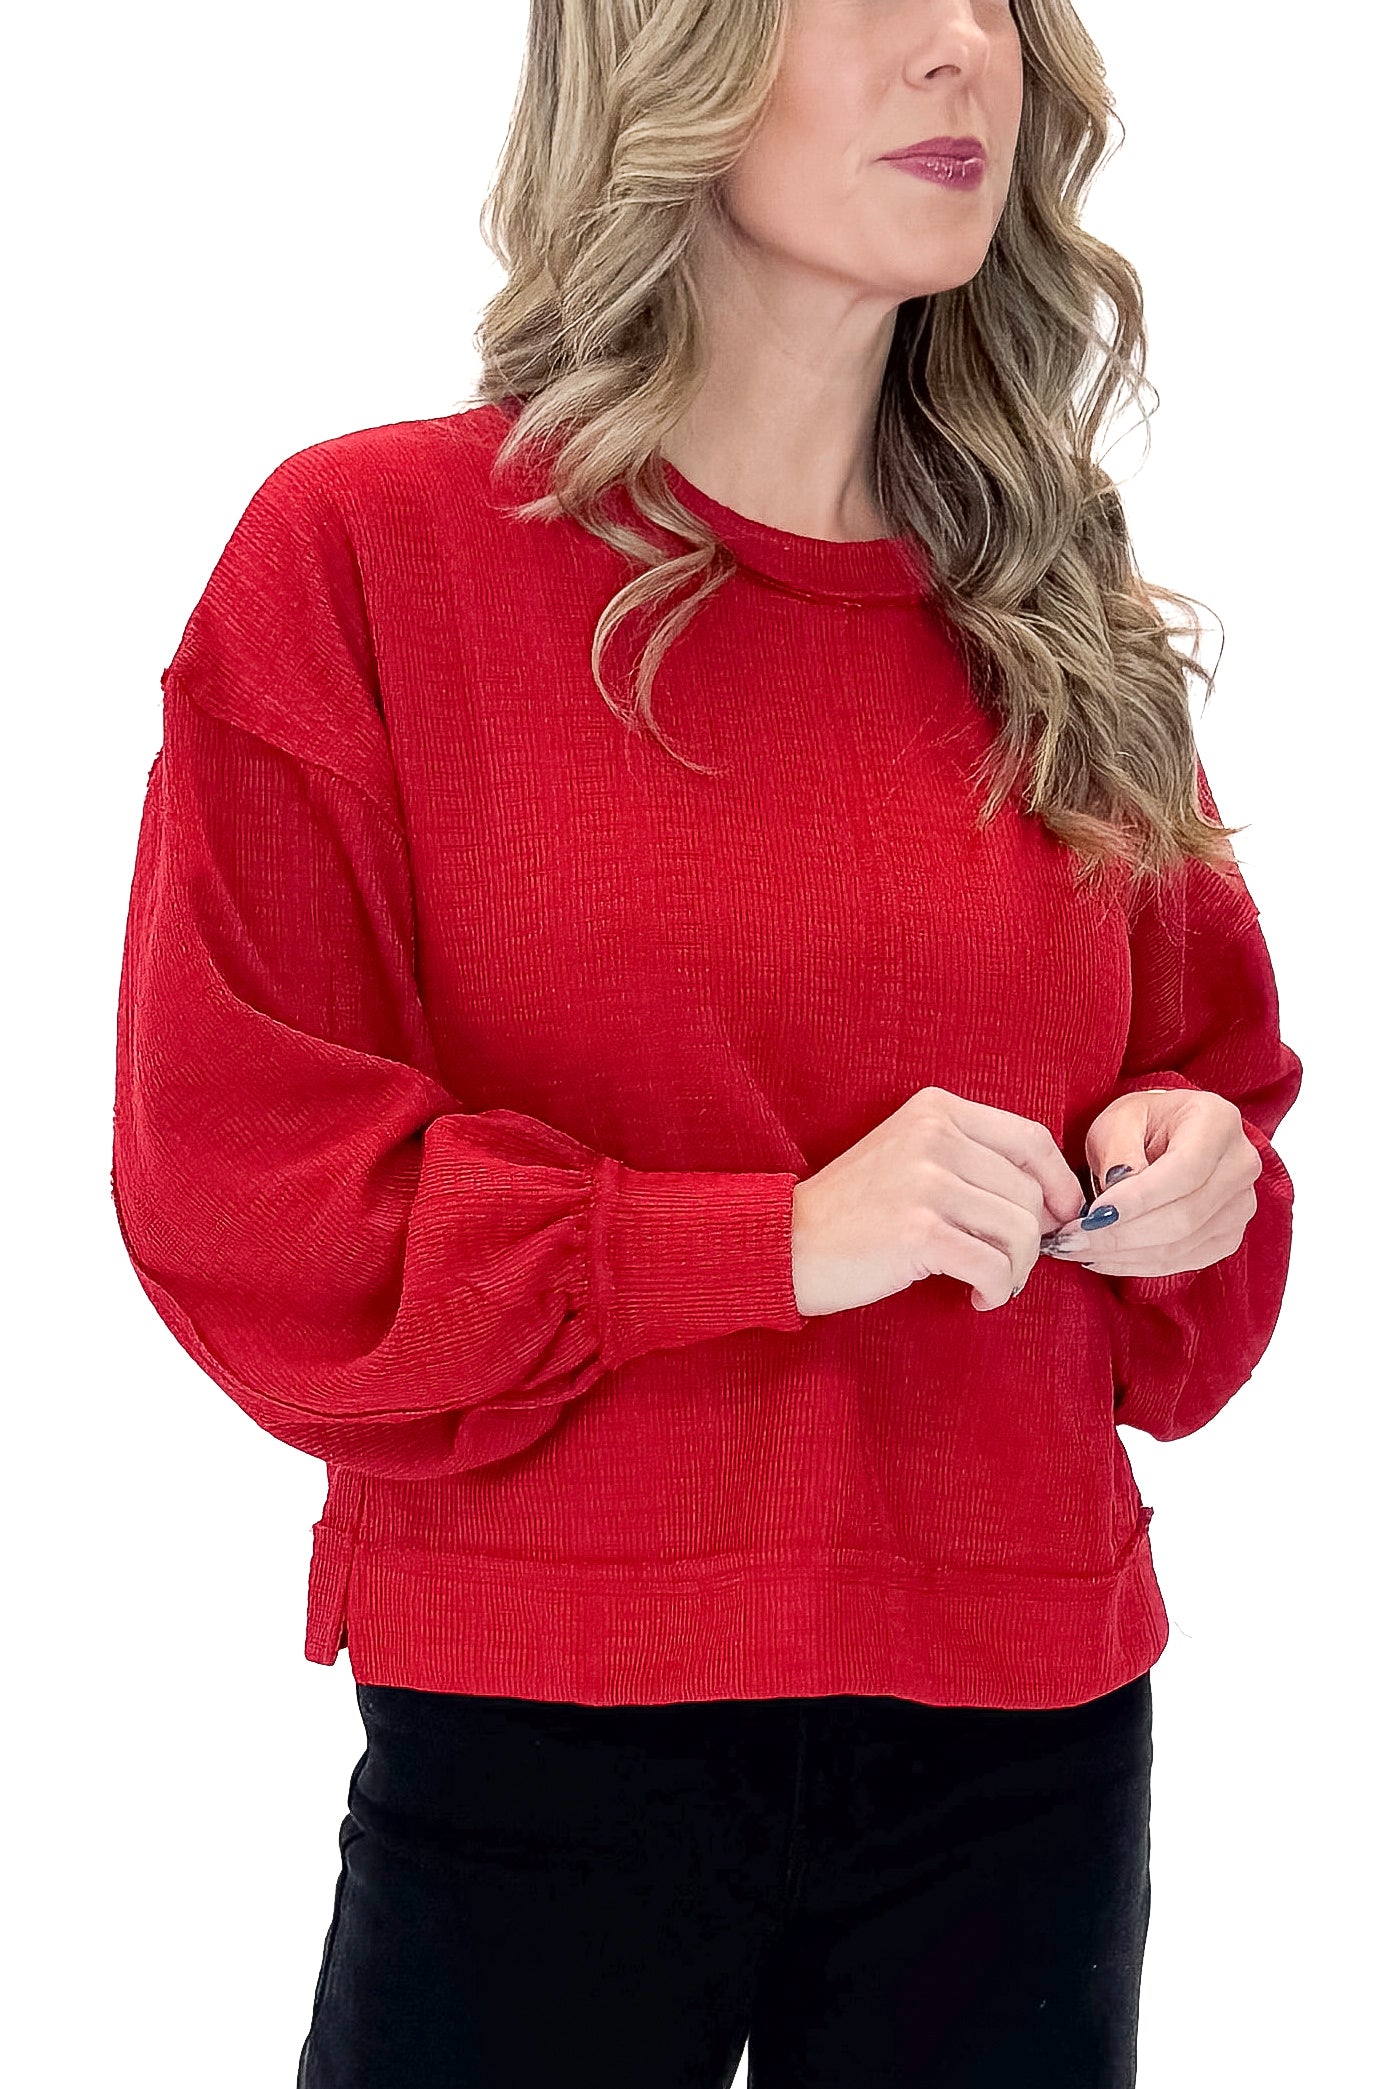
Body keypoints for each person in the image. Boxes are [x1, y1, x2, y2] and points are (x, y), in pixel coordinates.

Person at [109, 2, 1302, 2084]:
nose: (961, 53)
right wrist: (765, 1240)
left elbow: (1214, 1113)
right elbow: (247, 1195)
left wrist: (1191, 1165)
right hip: (549, 1738)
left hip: (1023, 1738)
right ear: (664, 56)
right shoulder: (367, 561)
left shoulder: (1059, 615)